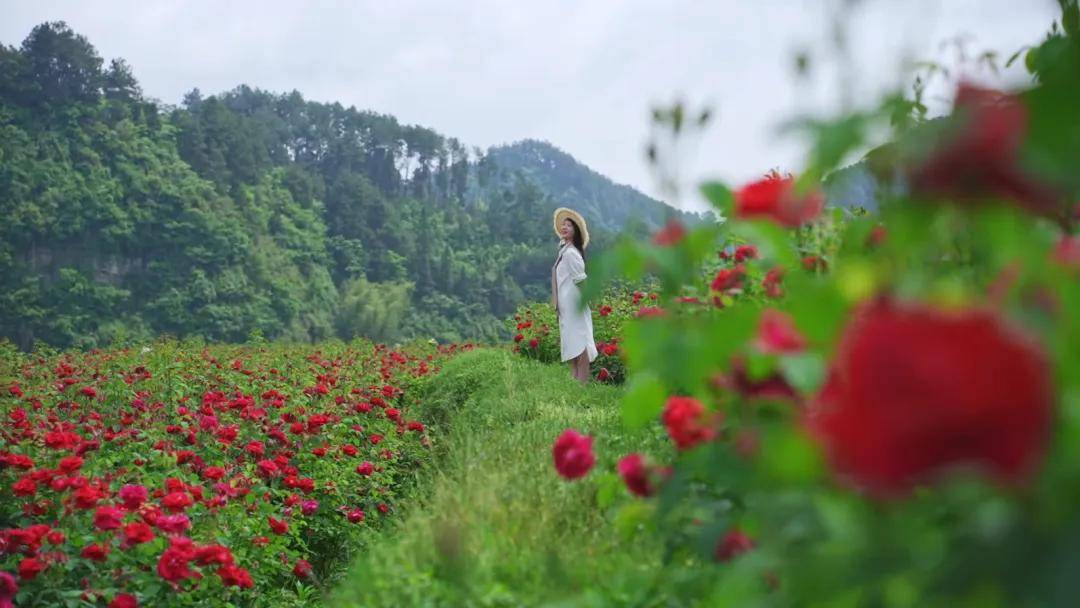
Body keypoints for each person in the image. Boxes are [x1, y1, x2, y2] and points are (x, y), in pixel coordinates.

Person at [551, 207, 598, 384]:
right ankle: (575, 380)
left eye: (569, 225)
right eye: (563, 224)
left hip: (575, 304)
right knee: (571, 341)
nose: (564, 227)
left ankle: (582, 383)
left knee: (581, 341)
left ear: (575, 231)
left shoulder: (571, 254)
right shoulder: (564, 251)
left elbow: (580, 280)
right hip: (567, 305)